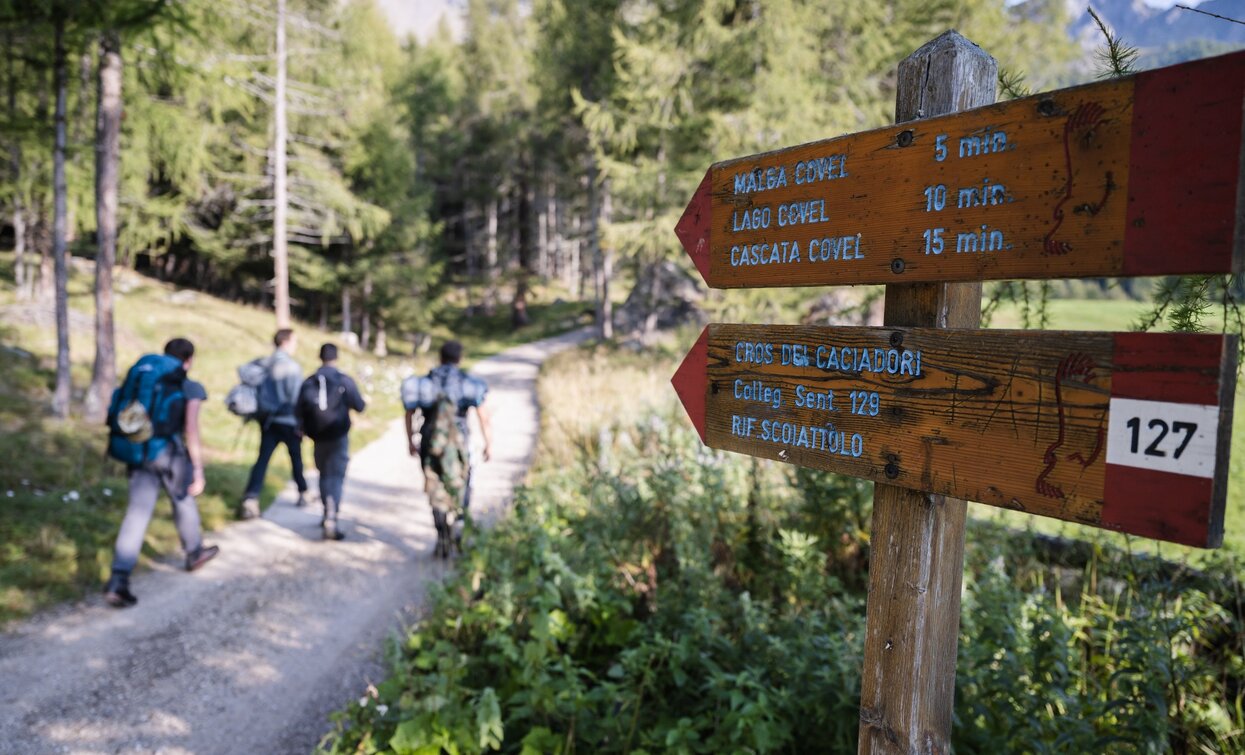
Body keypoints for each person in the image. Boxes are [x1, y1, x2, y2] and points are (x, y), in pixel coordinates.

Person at [104, 338, 219, 608]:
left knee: (137, 513)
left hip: (138, 450)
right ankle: (194, 552)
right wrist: (198, 470)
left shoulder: (146, 374)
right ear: (188, 360)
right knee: (183, 499)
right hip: (169, 454)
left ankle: (119, 579)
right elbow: (191, 429)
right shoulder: (187, 385)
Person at [404, 340, 493, 557]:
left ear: (440, 357)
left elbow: (409, 413)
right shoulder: (468, 383)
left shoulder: (424, 383)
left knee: (434, 486)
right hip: (460, 442)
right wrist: (488, 442)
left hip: (429, 441)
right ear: (459, 358)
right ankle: (460, 525)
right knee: (464, 483)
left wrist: (410, 440)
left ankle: (442, 534)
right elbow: (483, 416)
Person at [296, 343, 366, 540]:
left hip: (317, 437)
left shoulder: (310, 381)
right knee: (336, 475)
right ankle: (332, 517)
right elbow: (359, 405)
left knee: (323, 473)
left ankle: (326, 511)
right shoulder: (344, 380)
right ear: (337, 357)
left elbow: (299, 410)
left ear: (320, 357)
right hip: (338, 435)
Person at [239, 328, 307, 519]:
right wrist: (302, 424)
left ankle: (250, 499)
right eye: (294, 341)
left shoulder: (264, 363)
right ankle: (303, 492)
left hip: (267, 420)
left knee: (262, 460)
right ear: (285, 342)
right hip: (289, 421)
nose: (296, 346)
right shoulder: (292, 367)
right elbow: (297, 398)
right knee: (295, 458)